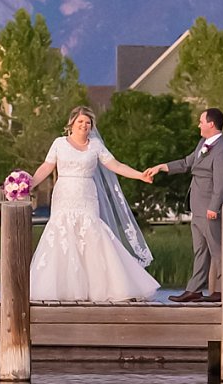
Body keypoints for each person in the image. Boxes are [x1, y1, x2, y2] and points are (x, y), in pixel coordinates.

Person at [26, 107, 162, 303]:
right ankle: (62, 289)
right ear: (71, 123)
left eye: (88, 123)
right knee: (62, 233)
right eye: (80, 122)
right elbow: (46, 167)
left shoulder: (95, 146)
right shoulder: (59, 143)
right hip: (64, 194)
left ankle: (104, 288)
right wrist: (29, 183)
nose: (84, 125)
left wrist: (140, 175)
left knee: (92, 234)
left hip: (87, 196)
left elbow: (116, 165)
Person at [146, 107, 223, 303]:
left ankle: (222, 291)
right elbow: (187, 163)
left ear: (211, 124)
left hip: (210, 208)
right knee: (200, 249)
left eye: (201, 121)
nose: (198, 125)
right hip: (197, 206)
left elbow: (221, 182)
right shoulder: (203, 143)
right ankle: (194, 289)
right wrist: (161, 167)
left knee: (218, 250)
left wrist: (214, 207)